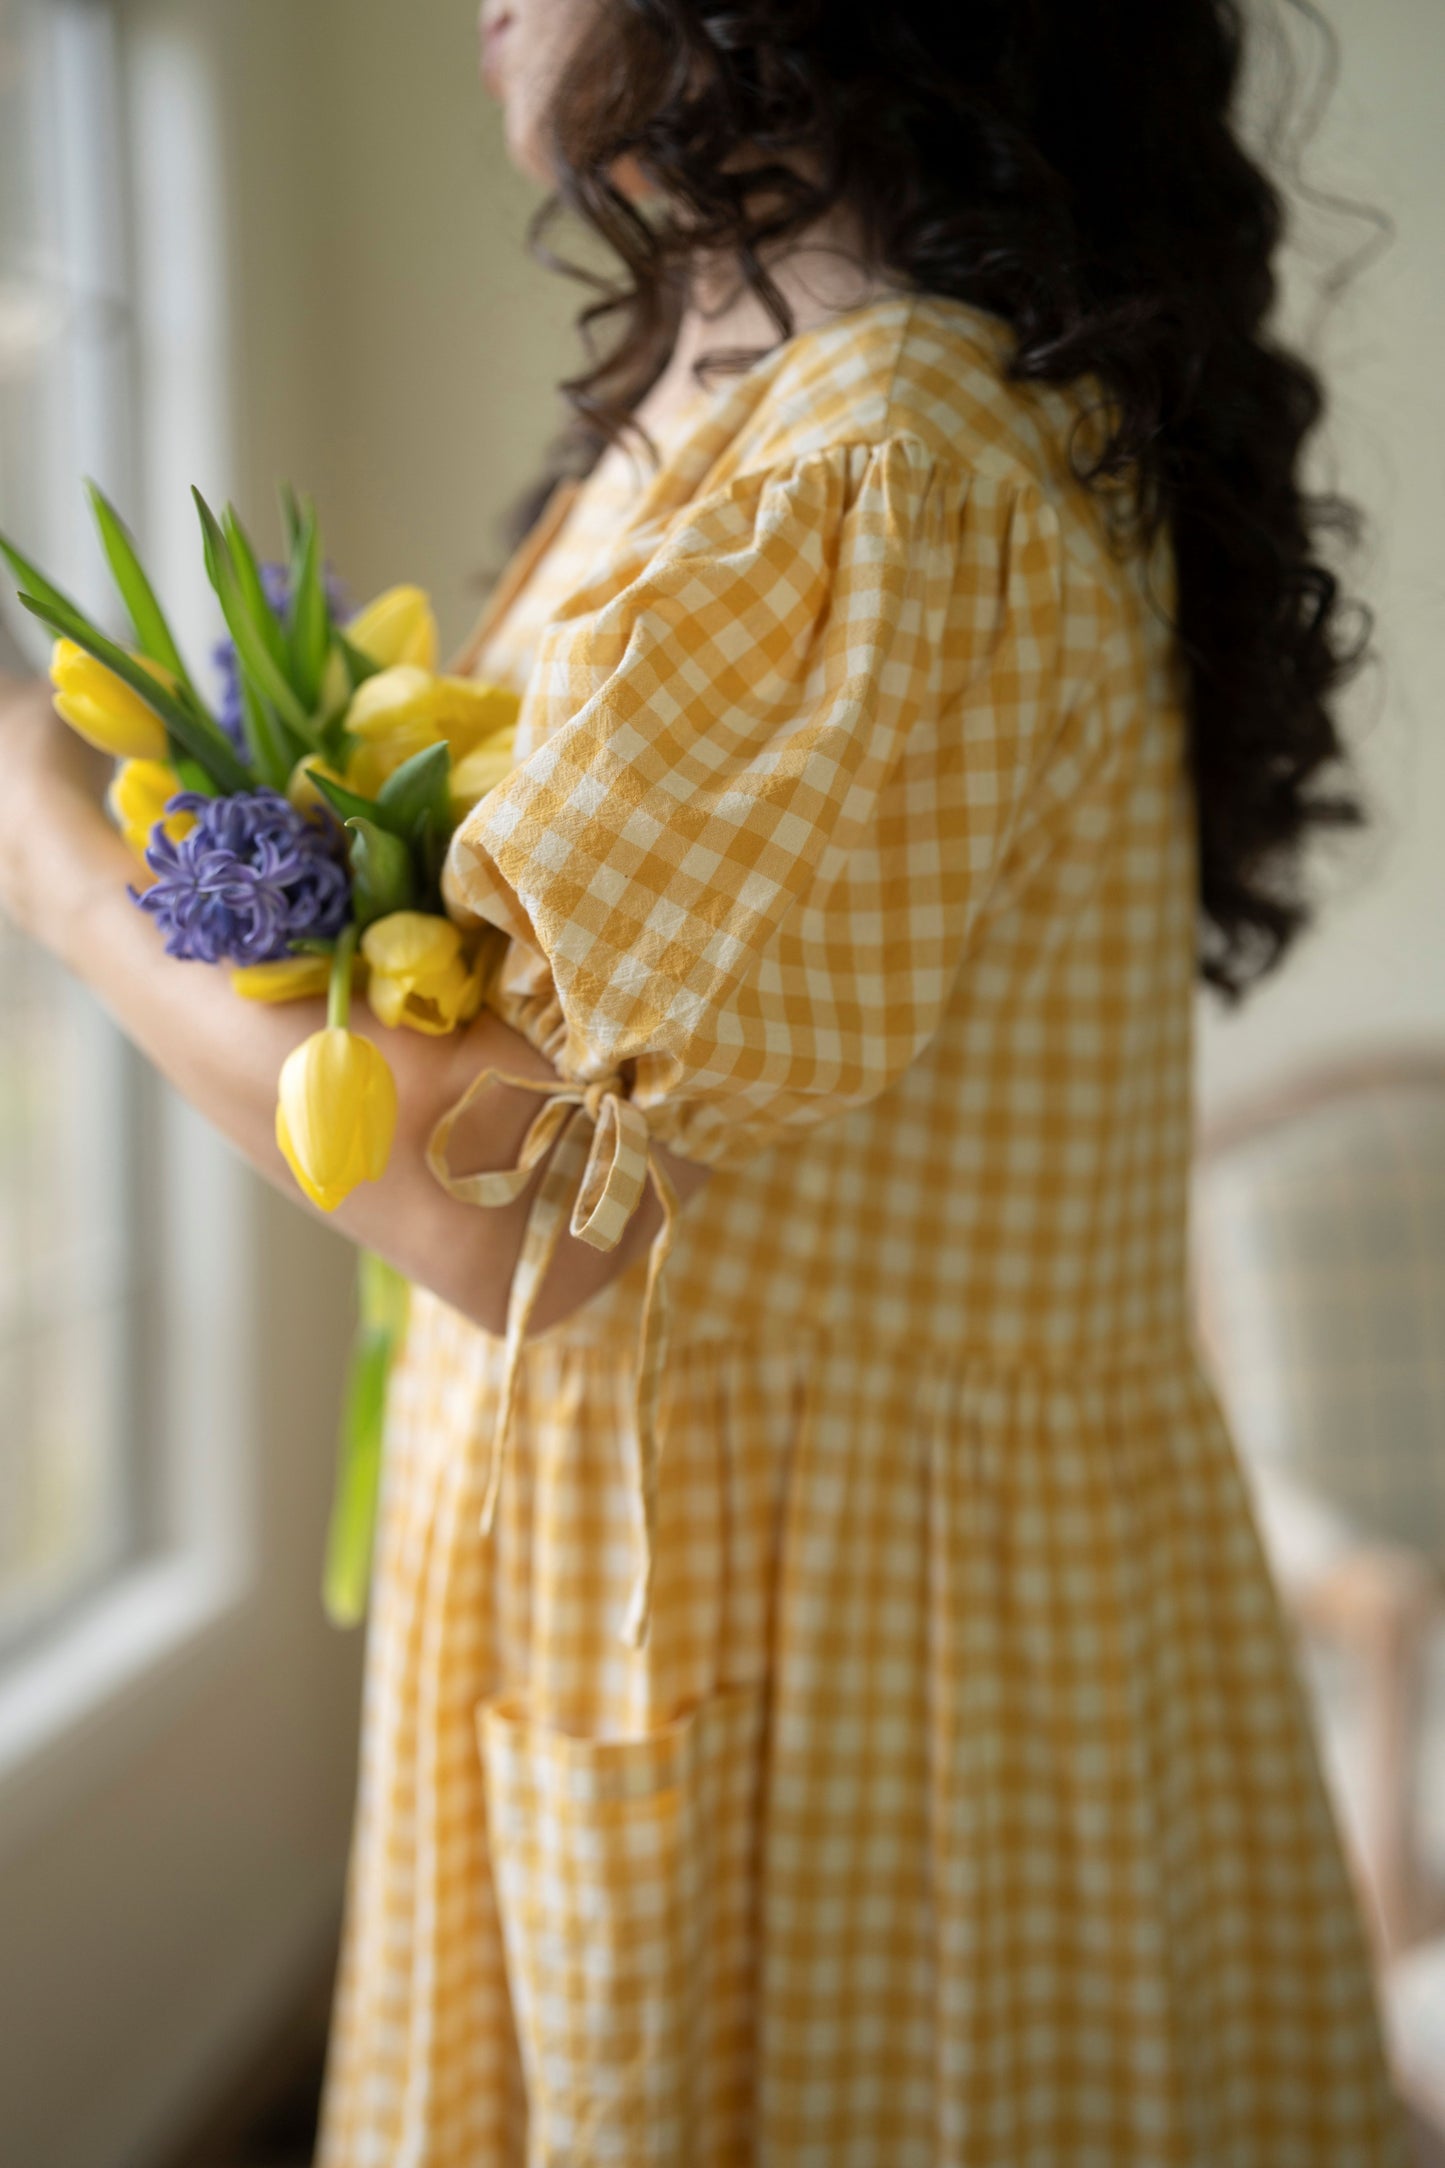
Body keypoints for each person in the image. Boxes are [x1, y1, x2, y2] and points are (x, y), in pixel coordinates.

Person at [0, 1, 1413, 2161]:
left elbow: (513, 1196)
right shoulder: (829, 402)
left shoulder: (893, 456)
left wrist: (53, 850)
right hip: (824, 1584)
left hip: (855, 1661)